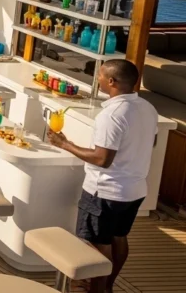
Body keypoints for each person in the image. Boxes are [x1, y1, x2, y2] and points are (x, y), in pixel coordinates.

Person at [47, 59, 158, 293]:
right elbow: (152, 141)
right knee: (119, 237)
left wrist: (64, 143)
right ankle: (107, 286)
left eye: (99, 76)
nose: (97, 79)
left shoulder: (112, 115)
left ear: (111, 81)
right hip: (134, 190)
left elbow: (101, 159)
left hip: (105, 192)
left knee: (98, 244)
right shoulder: (147, 108)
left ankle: (97, 290)